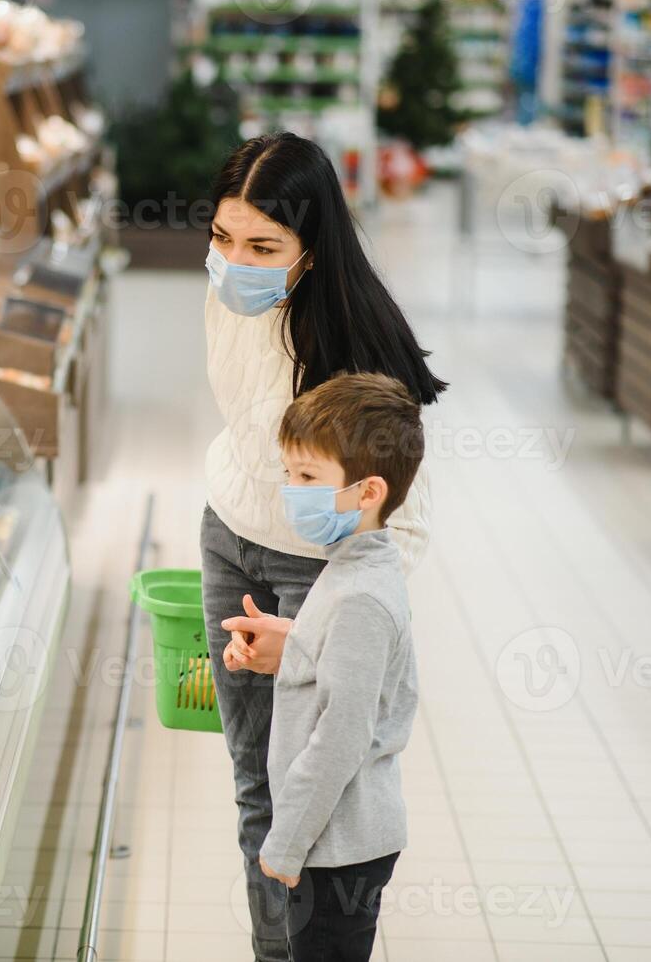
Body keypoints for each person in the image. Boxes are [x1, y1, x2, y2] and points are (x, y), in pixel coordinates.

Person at [199, 131, 444, 961]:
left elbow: (400, 525)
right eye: (223, 239)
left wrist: (310, 636)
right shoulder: (228, 294)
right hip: (228, 538)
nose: (236, 262)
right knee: (252, 779)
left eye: (263, 247)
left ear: (312, 251)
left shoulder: (355, 351)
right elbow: (243, 421)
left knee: (310, 783)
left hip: (319, 569)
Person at [225, 373, 421, 962]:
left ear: (368, 492)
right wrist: (297, 643)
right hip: (333, 838)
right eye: (289, 474)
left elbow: (342, 735)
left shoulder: (360, 595)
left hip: (339, 848)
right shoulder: (356, 569)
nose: (292, 491)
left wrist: (284, 843)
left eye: (308, 477)